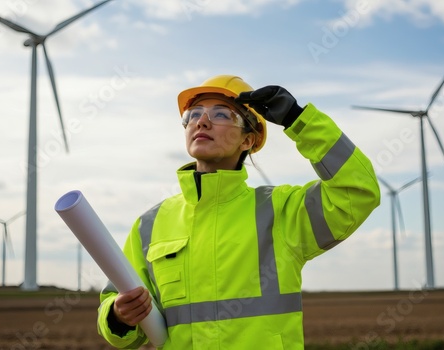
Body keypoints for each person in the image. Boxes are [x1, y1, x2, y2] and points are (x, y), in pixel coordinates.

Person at [97, 75, 380, 349]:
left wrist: (298, 120)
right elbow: (118, 314)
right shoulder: (150, 225)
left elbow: (358, 191)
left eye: (221, 114)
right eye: (194, 114)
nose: (202, 121)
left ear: (247, 141)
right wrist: (118, 316)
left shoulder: (281, 211)